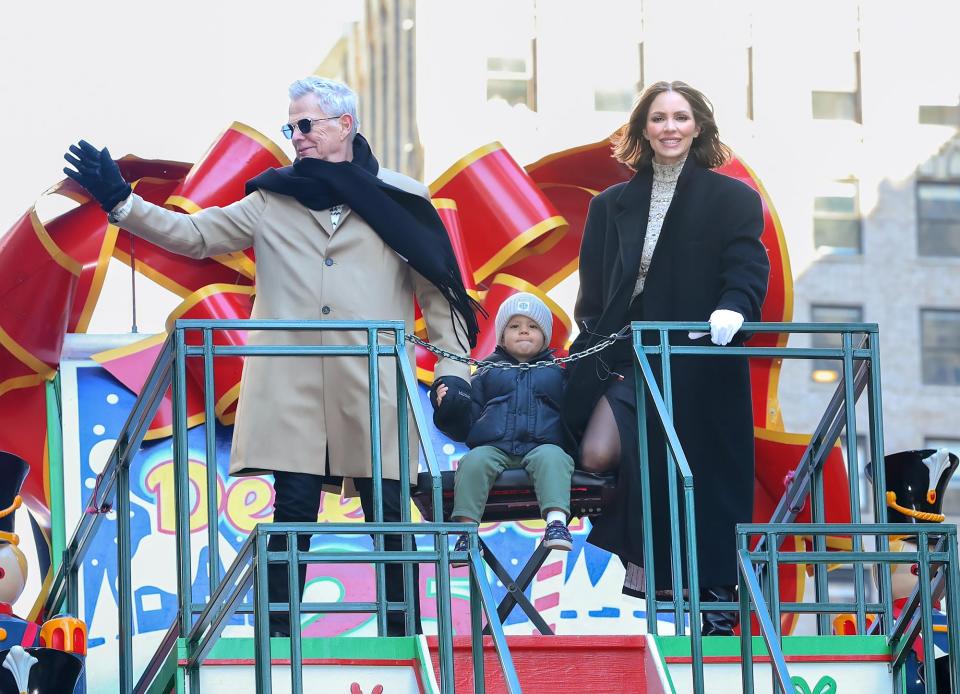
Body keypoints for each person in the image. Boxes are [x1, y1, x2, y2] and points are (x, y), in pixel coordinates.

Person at [63, 76, 481, 637]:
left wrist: (453, 374)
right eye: (291, 127)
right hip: (291, 388)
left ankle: (403, 639)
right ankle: (279, 643)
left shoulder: (401, 196)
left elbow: (442, 297)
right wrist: (121, 202)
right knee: (292, 515)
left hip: (376, 385)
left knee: (389, 516)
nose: (297, 136)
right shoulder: (272, 199)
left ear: (344, 125)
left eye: (306, 125)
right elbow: (194, 235)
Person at [562, 81, 770, 635]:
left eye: (680, 117)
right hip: (628, 357)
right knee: (599, 452)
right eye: (658, 118)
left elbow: (747, 268)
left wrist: (734, 309)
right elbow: (593, 293)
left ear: (698, 126)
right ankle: (656, 565)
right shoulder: (609, 205)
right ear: (643, 129)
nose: (670, 127)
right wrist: (593, 338)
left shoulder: (733, 200)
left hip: (700, 360)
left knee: (707, 477)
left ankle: (716, 598)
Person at [434, 292, 575, 559]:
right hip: (495, 447)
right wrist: (448, 408)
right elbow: (466, 421)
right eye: (514, 326)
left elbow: (575, 413)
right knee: (474, 461)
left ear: (545, 336)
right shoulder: (486, 371)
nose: (524, 331)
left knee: (555, 458)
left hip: (540, 445)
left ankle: (556, 523)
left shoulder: (557, 372)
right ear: (501, 336)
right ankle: (466, 533)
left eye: (532, 326)